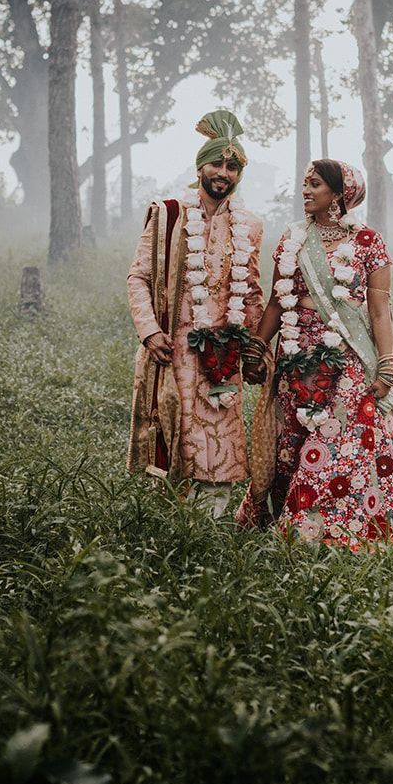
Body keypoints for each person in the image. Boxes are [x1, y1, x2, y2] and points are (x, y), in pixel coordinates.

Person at [235, 159, 393, 549]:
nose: (305, 191)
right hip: (297, 354)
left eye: (315, 184)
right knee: (294, 440)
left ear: (340, 194)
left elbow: (378, 310)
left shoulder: (368, 241)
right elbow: (276, 301)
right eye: (304, 183)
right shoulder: (294, 240)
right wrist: (257, 347)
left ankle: (326, 532)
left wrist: (387, 365)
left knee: (343, 440)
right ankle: (292, 522)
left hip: (348, 356)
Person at [126, 109, 266, 516]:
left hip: (224, 355)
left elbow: (252, 291)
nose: (223, 172)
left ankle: (213, 529)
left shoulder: (251, 226)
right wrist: (150, 332)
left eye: (233, 166)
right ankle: (168, 524)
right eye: (217, 163)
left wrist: (255, 350)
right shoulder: (169, 214)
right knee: (175, 432)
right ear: (200, 166)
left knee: (221, 438)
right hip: (173, 349)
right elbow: (138, 278)